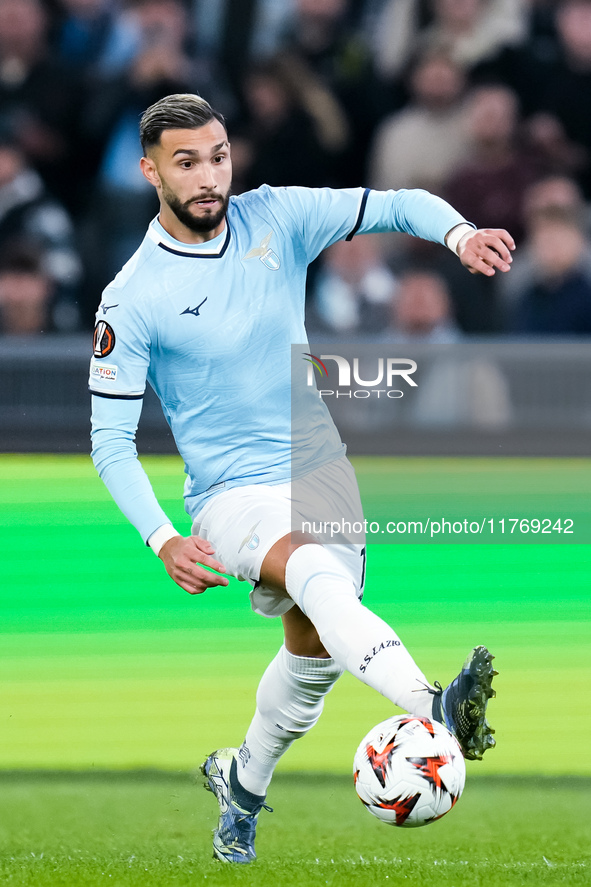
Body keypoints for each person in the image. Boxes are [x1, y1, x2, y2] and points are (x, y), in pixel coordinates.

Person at [89, 93, 512, 864]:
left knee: (313, 656)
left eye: (218, 155)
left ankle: (241, 783)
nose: (209, 175)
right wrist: (160, 537)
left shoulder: (274, 217)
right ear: (150, 171)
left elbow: (394, 203)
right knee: (316, 572)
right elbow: (109, 440)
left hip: (321, 467)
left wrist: (457, 232)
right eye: (187, 162)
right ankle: (434, 706)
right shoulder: (132, 294)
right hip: (228, 494)